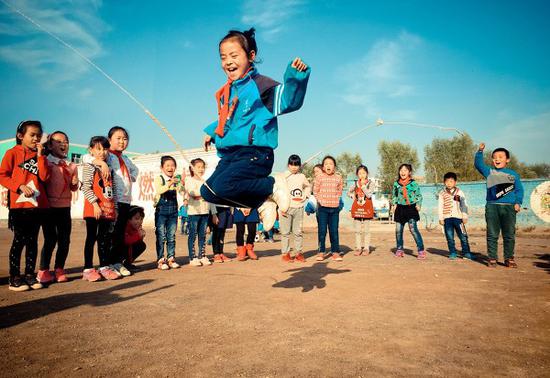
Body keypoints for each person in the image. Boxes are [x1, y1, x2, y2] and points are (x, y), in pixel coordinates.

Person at [201, 28, 311, 231]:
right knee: (208, 192)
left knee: (223, 186)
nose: (228, 62)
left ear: (251, 56)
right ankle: (263, 201)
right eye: (223, 57)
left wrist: (296, 77)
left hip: (255, 154)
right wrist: (212, 131)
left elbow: (288, 101)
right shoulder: (228, 92)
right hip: (232, 155)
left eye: (234, 55)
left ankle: (272, 185)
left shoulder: (261, 86)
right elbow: (229, 121)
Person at [0, 120, 49, 291]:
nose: (36, 138)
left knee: (33, 241)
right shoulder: (11, 153)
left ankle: (30, 275)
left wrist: (41, 156)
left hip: (37, 206)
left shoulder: (41, 155)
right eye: (32, 135)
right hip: (19, 207)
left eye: (39, 135)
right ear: (21, 136)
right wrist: (18, 186)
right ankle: (14, 277)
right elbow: (2, 175)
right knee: (19, 241)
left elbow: (44, 177)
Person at [83, 126, 139, 275]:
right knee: (109, 235)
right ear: (110, 140)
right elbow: (87, 157)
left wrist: (131, 177)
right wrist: (100, 162)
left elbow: (135, 170)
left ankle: (116, 262)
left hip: (124, 200)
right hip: (112, 200)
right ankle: (107, 263)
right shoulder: (108, 155)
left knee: (119, 233)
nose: (122, 141)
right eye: (118, 138)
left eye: (125, 138)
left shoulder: (126, 158)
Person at [38, 131, 79, 284]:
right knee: (50, 239)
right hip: (49, 207)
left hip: (65, 207)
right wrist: (41, 153)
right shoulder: (46, 162)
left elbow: (74, 188)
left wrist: (75, 183)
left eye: (66, 141)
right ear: (49, 145)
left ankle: (59, 268)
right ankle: (43, 270)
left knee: (64, 240)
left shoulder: (71, 165)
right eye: (58, 141)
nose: (63, 144)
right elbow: (43, 178)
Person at [475, 143, 523, 268]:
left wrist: (518, 202)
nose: (497, 159)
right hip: (492, 206)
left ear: (507, 160)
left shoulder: (513, 174)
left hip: (509, 207)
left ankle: (509, 258)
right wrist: (480, 151)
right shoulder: (489, 172)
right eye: (495, 157)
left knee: (509, 234)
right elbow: (478, 165)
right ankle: (492, 258)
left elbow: (519, 190)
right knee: (492, 234)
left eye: (501, 157)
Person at [81, 136, 119, 281]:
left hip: (107, 211)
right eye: (98, 149)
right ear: (91, 150)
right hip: (94, 210)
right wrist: (95, 205)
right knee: (91, 238)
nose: (102, 152)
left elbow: (112, 190)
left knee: (104, 240)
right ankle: (88, 269)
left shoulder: (109, 168)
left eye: (105, 149)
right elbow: (85, 186)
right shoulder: (90, 166)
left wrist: (115, 209)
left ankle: (104, 267)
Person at [153, 155, 183, 270]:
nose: (171, 168)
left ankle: (171, 258)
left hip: (173, 211)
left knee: (171, 236)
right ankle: (161, 260)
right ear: (162, 168)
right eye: (168, 165)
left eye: (173, 165)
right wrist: (170, 183)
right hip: (161, 211)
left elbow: (181, 191)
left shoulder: (176, 179)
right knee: (161, 236)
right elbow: (160, 190)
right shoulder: (159, 178)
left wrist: (181, 184)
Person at [280, 154, 311, 263]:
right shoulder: (283, 176)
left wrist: (305, 195)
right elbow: (278, 189)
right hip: (286, 208)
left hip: (299, 208)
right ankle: (285, 254)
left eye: (296, 165)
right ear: (288, 165)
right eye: (291, 165)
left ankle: (298, 253)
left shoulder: (302, 176)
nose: (294, 167)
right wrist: (280, 206)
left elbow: (308, 186)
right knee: (285, 232)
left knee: (298, 232)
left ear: (299, 166)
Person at [391, 164, 426, 259]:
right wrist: (393, 205)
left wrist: (418, 204)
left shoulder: (413, 183)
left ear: (409, 172)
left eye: (405, 170)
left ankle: (421, 250)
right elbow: (394, 195)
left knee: (413, 229)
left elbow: (419, 195)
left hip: (411, 208)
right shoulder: (396, 184)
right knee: (398, 230)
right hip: (400, 209)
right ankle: (399, 249)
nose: (403, 172)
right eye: (401, 170)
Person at [313, 156, 343, 262]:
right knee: (322, 231)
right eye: (326, 164)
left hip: (334, 209)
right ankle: (321, 252)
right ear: (323, 167)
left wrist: (336, 199)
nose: (328, 166)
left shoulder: (338, 178)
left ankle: (335, 252)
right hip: (322, 209)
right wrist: (320, 200)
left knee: (334, 231)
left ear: (334, 166)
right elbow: (315, 191)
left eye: (330, 164)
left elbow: (340, 190)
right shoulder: (319, 177)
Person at [185, 158, 214, 267]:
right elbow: (194, 193)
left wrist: (214, 213)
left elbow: (211, 198)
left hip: (205, 211)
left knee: (203, 235)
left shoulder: (206, 182)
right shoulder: (189, 180)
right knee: (193, 235)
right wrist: (205, 194)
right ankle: (192, 257)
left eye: (203, 167)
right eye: (198, 167)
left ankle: (202, 255)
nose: (201, 169)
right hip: (194, 212)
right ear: (192, 168)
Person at [438, 172, 472, 260]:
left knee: (463, 236)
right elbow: (440, 206)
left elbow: (464, 204)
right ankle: (453, 252)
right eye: (447, 181)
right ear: (444, 182)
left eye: (451, 181)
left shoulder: (459, 192)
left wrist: (464, 216)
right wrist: (441, 218)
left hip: (459, 219)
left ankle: (466, 253)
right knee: (449, 237)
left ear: (455, 182)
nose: (449, 183)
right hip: (447, 219)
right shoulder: (442, 193)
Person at [348, 165, 374, 256]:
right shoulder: (355, 184)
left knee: (366, 230)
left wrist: (363, 186)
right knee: (357, 230)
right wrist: (351, 195)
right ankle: (358, 248)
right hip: (357, 209)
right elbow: (349, 192)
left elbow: (369, 195)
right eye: (359, 173)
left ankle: (366, 248)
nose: (362, 175)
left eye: (363, 173)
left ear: (367, 174)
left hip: (366, 209)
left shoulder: (371, 183)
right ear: (357, 175)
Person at [122, 205, 147, 271]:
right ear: (129, 219)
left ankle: (127, 264)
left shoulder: (136, 227)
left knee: (141, 245)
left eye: (141, 219)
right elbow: (127, 241)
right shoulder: (125, 226)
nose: (139, 221)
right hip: (118, 251)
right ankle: (120, 264)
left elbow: (136, 243)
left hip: (128, 249)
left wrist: (141, 236)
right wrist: (138, 235)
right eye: (136, 218)